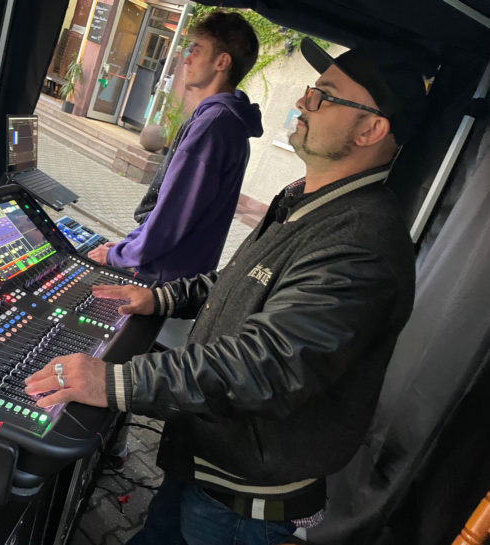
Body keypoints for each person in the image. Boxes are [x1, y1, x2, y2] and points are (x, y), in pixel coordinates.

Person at [25, 37, 431, 544]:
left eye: (325, 96)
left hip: (245, 504)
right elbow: (245, 279)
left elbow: (267, 364)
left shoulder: (362, 246)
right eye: (310, 90)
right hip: (207, 460)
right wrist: (164, 298)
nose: (303, 103)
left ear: (372, 129)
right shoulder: (305, 198)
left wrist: (114, 382)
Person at [87, 12, 263, 282]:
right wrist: (126, 247)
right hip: (180, 278)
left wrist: (116, 256)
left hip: (163, 282)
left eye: (196, 50)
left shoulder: (214, 126)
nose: (187, 58)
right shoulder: (228, 122)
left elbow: (171, 217)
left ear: (222, 62)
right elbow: (168, 208)